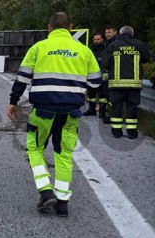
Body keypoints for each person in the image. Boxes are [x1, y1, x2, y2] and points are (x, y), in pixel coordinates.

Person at [7, 12, 102, 217]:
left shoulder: (39, 48)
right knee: (64, 155)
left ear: (49, 28)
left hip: (43, 110)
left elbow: (22, 79)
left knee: (34, 148)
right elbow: (96, 82)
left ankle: (45, 191)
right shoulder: (84, 51)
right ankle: (62, 203)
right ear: (71, 27)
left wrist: (13, 102)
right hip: (71, 112)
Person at [101, 26, 151, 139]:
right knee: (132, 108)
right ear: (132, 34)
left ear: (119, 33)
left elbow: (105, 64)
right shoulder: (139, 44)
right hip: (134, 85)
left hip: (116, 84)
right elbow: (147, 58)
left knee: (116, 108)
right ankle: (132, 133)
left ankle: (116, 132)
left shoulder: (113, 45)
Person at [83, 32, 107, 116]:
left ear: (102, 39)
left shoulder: (105, 48)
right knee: (91, 94)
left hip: (101, 74)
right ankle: (91, 110)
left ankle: (102, 111)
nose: (96, 41)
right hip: (90, 75)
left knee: (102, 95)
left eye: (98, 39)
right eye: (95, 39)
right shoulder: (90, 48)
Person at [99, 25, 119, 123]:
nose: (107, 34)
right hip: (108, 73)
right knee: (107, 95)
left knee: (112, 97)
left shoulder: (115, 43)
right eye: (106, 33)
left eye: (109, 32)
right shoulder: (108, 42)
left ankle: (113, 116)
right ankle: (110, 115)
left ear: (115, 32)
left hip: (113, 74)